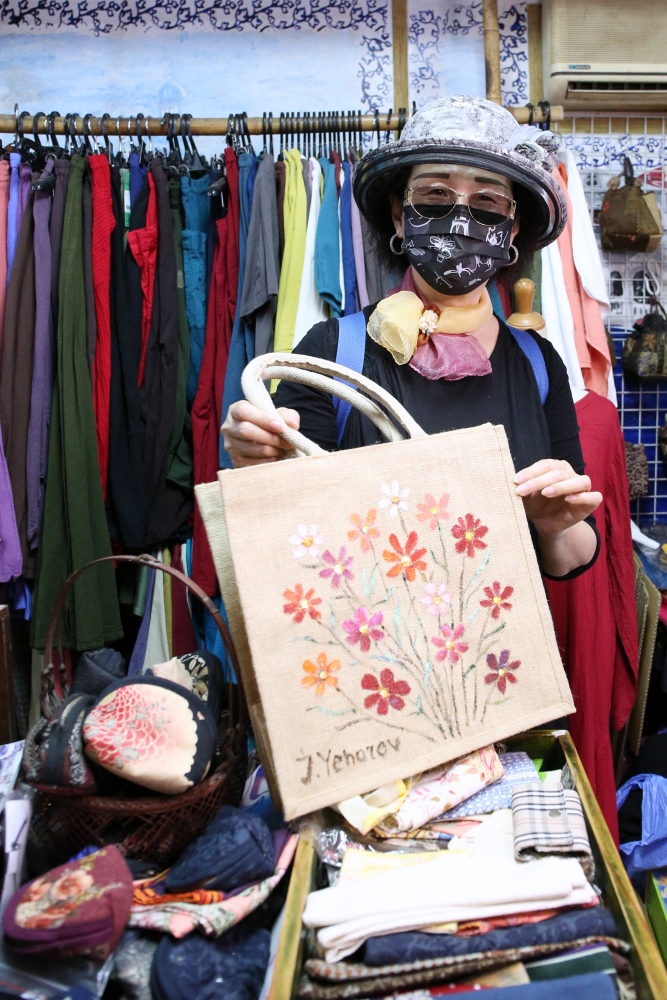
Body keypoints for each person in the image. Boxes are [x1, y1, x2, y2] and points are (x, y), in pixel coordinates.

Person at [221, 95, 601, 581]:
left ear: (512, 230)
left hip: (502, 648)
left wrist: (553, 527)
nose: (461, 219)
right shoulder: (334, 351)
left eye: (487, 201)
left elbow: (575, 553)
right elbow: (282, 531)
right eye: (435, 195)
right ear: (400, 216)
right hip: (366, 643)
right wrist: (254, 464)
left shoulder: (537, 362)